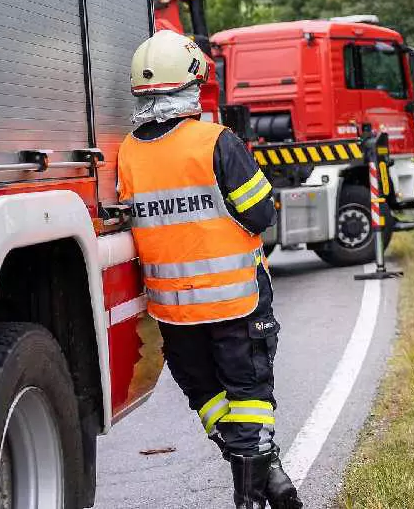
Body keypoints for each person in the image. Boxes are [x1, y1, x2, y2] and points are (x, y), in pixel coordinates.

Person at [117, 30, 301, 509]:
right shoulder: (215, 142)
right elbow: (261, 214)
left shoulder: (127, 154)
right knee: (250, 396)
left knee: (210, 399)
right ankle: (254, 495)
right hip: (236, 301)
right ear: (191, 86)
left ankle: (271, 479)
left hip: (174, 312)